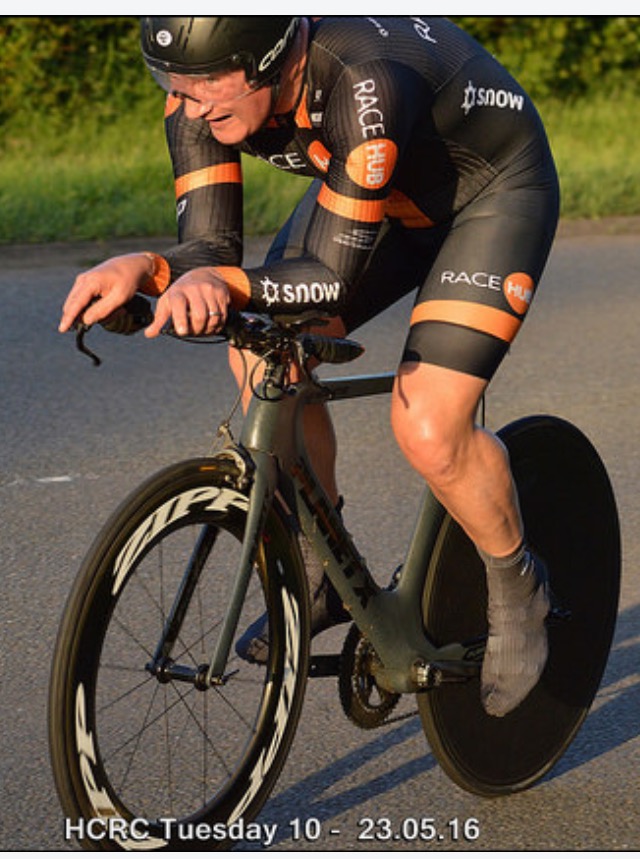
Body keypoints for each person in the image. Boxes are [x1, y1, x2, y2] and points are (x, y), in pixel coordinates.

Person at [59, 16, 560, 718]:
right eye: (172, 84)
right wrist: (144, 267)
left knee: (429, 429)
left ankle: (517, 586)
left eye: (205, 84)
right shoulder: (198, 97)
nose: (187, 104)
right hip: (375, 195)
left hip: (490, 199)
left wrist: (222, 284)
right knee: (258, 350)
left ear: (267, 59)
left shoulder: (363, 82)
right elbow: (210, 248)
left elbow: (326, 278)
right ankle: (322, 570)